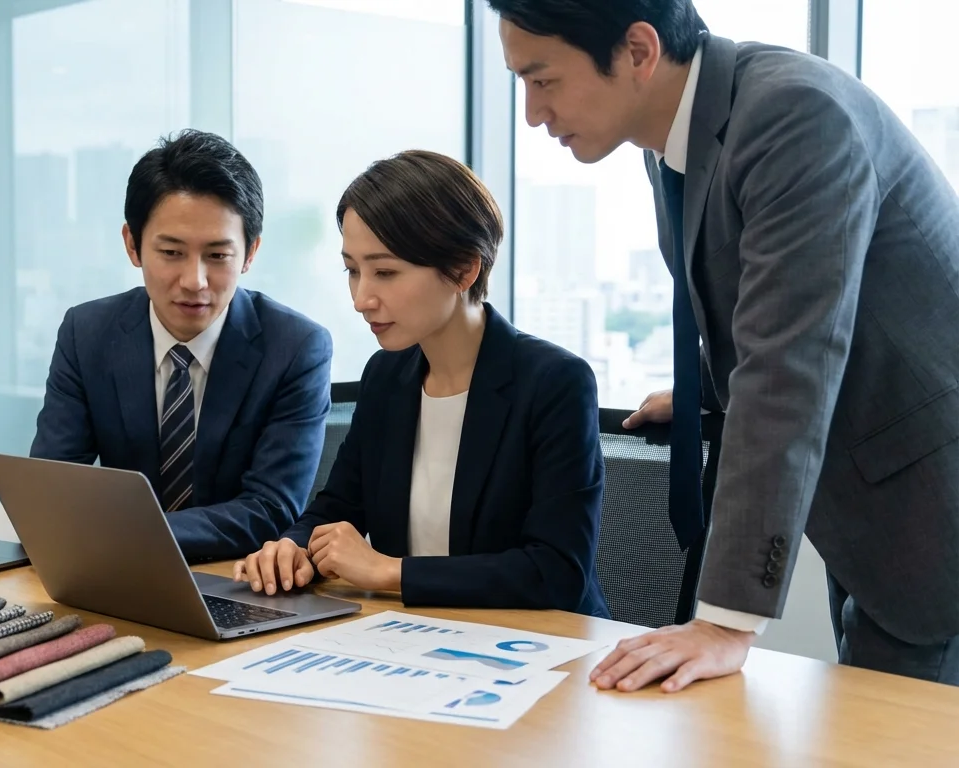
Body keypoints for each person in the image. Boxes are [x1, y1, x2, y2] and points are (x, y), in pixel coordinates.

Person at [490, 0, 959, 690]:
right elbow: (767, 308)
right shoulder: (678, 143)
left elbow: (788, 369)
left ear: (639, 52)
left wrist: (726, 620)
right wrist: (710, 388)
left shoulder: (795, 115)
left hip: (932, 516)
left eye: (543, 80)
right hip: (874, 518)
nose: (532, 113)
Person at [234, 150, 609, 617]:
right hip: (415, 638)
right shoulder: (387, 376)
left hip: (541, 649)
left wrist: (391, 571)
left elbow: (557, 573)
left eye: (385, 272)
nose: (361, 298)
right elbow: (337, 507)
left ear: (464, 269)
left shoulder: (554, 383)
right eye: (353, 269)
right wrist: (291, 547)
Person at [30, 129, 333, 563]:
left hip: (239, 581)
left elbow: (270, 509)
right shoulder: (88, 332)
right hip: (113, 575)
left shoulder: (296, 347)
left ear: (250, 253)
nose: (195, 281)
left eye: (217, 255)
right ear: (132, 245)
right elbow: (52, 483)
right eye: (171, 252)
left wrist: (126, 534)